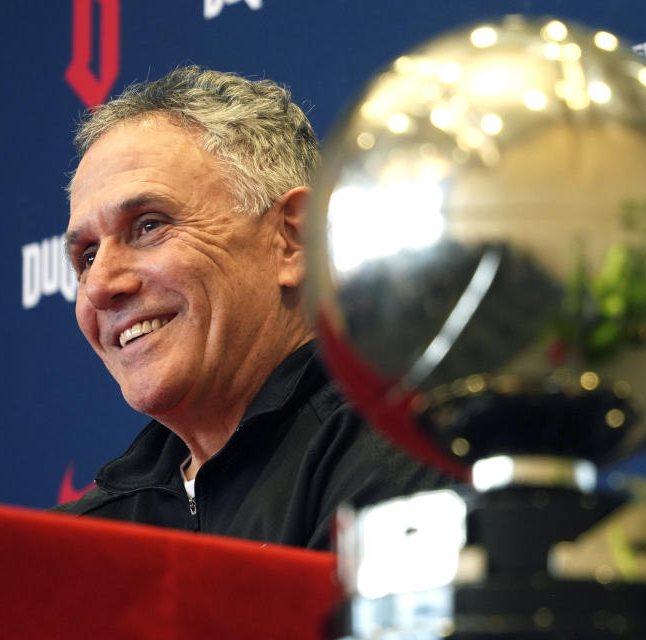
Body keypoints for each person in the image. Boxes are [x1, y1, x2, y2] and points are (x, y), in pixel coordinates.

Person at [54, 66, 446, 549]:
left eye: (149, 226)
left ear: (292, 240)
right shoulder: (81, 540)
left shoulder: (408, 450)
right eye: (86, 256)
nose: (99, 286)